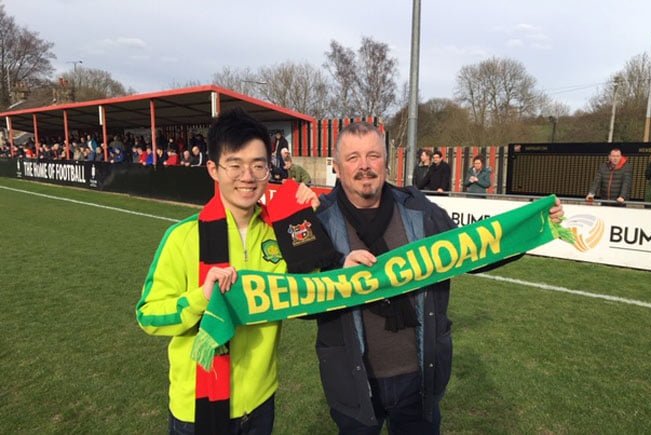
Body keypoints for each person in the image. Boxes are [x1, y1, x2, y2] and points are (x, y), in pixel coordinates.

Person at [312, 122, 564, 434]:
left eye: (373, 155)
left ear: (387, 162)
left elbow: (474, 249)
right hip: (353, 378)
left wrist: (532, 227)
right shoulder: (316, 219)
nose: (364, 165)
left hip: (417, 379)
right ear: (336, 167)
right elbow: (297, 293)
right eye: (353, 158)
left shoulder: (419, 209)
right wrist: (338, 270)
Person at [136, 109, 317, 434]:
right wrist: (201, 297)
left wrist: (317, 219)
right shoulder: (183, 238)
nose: (247, 176)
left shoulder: (281, 232)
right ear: (214, 169)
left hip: (260, 405)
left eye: (258, 165)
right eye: (235, 165)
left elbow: (311, 295)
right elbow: (148, 315)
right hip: (197, 409)